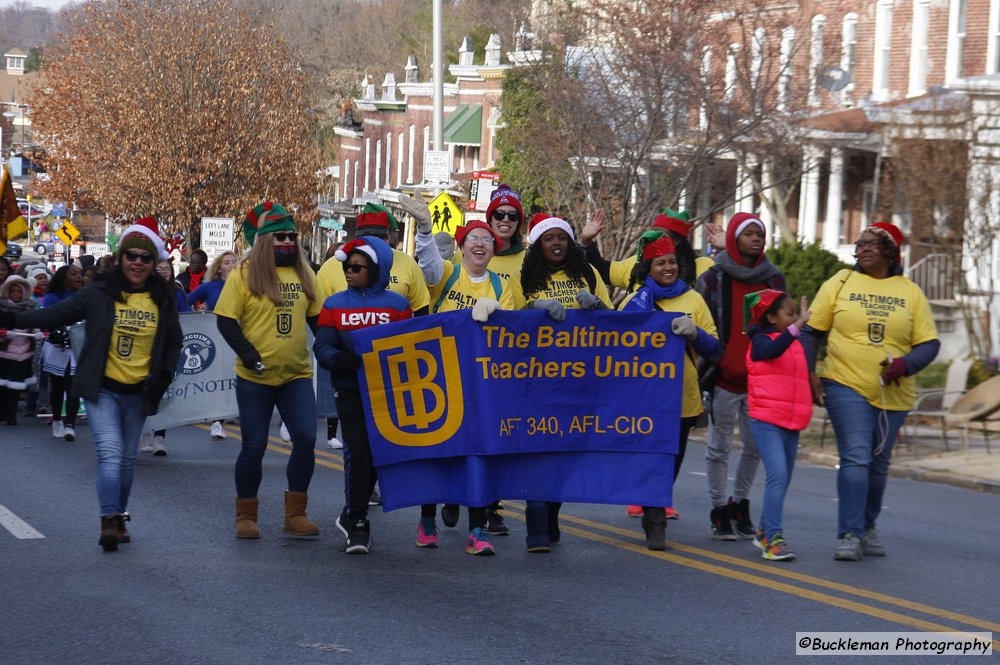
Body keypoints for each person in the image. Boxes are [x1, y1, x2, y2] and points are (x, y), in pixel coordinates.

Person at [1, 216, 182, 552]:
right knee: (111, 453)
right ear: (122, 258)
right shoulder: (99, 292)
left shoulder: (163, 297)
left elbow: (174, 341)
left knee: (128, 459)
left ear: (153, 262)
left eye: (145, 258)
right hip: (103, 389)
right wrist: (12, 318)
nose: (138, 263)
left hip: (140, 392)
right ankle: (109, 519)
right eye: (132, 256)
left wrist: (164, 377)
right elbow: (55, 315)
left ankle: (120, 514)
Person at [801, 222, 939, 561]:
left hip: (894, 391)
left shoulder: (910, 291)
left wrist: (904, 365)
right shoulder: (840, 282)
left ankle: (867, 526)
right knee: (856, 456)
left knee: (878, 464)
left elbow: (929, 343)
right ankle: (848, 533)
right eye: (859, 244)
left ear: (889, 251)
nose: (862, 248)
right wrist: (810, 373)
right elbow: (811, 332)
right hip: (844, 382)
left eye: (871, 244)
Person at [408, 191, 516, 553]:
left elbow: (513, 332)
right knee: (437, 452)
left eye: (488, 240)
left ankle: (478, 530)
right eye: (475, 239)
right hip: (438, 377)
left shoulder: (502, 286)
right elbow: (428, 269)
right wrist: (424, 229)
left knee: (477, 455)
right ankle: (427, 521)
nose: (482, 244)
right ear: (462, 246)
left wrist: (498, 316)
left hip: (481, 383)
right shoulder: (448, 273)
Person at [215, 201, 323, 540]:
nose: (289, 242)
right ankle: (246, 515)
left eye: (292, 235)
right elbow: (226, 320)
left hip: (296, 375)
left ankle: (296, 514)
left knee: (306, 440)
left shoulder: (306, 274)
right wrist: (248, 355)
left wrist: (337, 350)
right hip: (255, 378)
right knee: (254, 445)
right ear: (264, 240)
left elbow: (319, 321)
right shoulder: (243, 275)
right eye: (281, 237)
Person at [618, 231, 720, 549]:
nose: (668, 268)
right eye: (660, 263)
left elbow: (716, 348)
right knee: (654, 460)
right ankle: (654, 519)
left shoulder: (693, 299)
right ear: (648, 268)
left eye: (672, 262)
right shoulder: (634, 302)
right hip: (645, 401)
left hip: (683, 399)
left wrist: (695, 334)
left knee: (672, 461)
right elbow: (614, 344)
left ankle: (654, 506)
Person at [520, 213, 612, 553]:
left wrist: (597, 306)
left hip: (579, 381)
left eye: (562, 237)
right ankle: (535, 528)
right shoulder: (525, 277)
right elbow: (509, 320)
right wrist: (534, 307)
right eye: (549, 238)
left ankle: (552, 514)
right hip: (536, 381)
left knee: (565, 455)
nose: (556, 243)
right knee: (538, 454)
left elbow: (614, 323)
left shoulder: (587, 274)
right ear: (539, 245)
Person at [314, 237, 413, 554]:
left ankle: (349, 512)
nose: (349, 272)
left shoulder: (398, 306)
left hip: (387, 393)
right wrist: (338, 360)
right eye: (346, 266)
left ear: (376, 269)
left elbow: (410, 346)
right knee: (359, 453)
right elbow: (322, 346)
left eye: (357, 267)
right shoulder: (334, 304)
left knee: (378, 456)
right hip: (350, 390)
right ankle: (358, 523)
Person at [695, 212, 785, 541]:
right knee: (718, 448)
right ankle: (718, 509)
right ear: (734, 238)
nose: (755, 239)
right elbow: (700, 322)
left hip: (762, 379)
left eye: (759, 234)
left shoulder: (774, 280)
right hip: (723, 377)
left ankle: (740, 503)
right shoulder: (713, 278)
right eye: (748, 234)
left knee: (754, 448)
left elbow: (781, 326)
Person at [744, 289, 812, 562]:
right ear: (771, 317)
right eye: (790, 313)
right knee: (778, 475)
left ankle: (762, 532)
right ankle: (773, 538)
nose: (795, 317)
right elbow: (772, 351)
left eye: (796, 312)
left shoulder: (793, 340)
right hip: (766, 419)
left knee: (783, 479)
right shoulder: (760, 340)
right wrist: (798, 326)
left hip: (791, 420)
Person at [581, 208, 715, 290]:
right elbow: (601, 270)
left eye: (660, 235)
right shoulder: (637, 264)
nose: (653, 238)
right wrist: (586, 241)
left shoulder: (703, 266)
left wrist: (727, 246)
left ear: (676, 241)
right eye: (652, 232)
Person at [139, 259, 193, 456]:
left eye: (167, 268)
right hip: (147, 350)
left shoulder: (177, 293)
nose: (163, 272)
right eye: (159, 268)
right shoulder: (146, 291)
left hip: (169, 349)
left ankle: (160, 438)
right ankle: (145, 433)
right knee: (147, 393)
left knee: (166, 394)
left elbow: (188, 316)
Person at [187, 250, 238, 440]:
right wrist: (196, 315)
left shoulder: (247, 287)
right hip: (215, 337)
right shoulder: (211, 287)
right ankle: (217, 422)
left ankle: (231, 413)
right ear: (219, 268)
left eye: (234, 261)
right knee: (220, 378)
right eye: (227, 262)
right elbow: (184, 302)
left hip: (238, 339)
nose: (232, 265)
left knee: (235, 378)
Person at [41, 264, 85, 441]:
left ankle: (70, 425)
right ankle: (57, 419)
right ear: (63, 278)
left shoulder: (83, 297)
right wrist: (57, 331)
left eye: (79, 274)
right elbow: (48, 319)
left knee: (73, 385)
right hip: (57, 346)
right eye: (73, 274)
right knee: (57, 385)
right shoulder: (51, 298)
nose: (78, 277)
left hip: (76, 346)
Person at [0, 275, 44, 425]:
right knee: (2, 386)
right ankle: (2, 412)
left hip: (23, 353)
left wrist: (37, 333)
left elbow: (35, 323)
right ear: (7, 292)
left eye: (19, 292)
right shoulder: (2, 307)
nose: (16, 295)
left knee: (16, 386)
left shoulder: (30, 307)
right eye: (13, 292)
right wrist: (4, 336)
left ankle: (11, 414)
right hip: (4, 352)